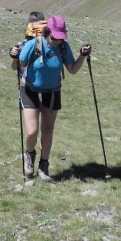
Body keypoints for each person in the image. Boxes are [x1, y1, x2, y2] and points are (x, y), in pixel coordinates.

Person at [17, 15, 91, 180]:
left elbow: (71, 69)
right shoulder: (32, 45)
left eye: (61, 37)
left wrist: (82, 56)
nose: (58, 40)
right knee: (32, 132)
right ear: (47, 33)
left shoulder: (64, 47)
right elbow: (17, 65)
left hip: (52, 91)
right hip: (30, 89)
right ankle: (29, 156)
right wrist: (13, 55)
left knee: (48, 130)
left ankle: (44, 165)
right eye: (55, 37)